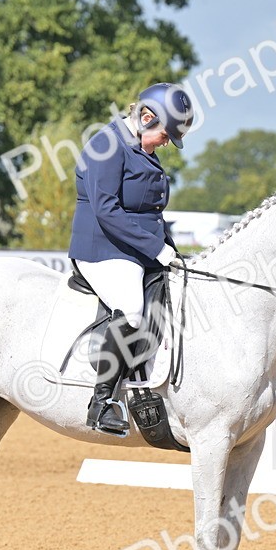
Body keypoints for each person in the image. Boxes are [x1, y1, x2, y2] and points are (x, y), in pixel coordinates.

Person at [69, 82, 194, 435]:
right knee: (132, 309)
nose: (167, 143)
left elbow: (150, 210)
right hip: (102, 248)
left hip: (136, 247)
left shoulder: (141, 146)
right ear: (146, 117)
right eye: (166, 135)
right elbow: (106, 210)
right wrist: (155, 249)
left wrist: (170, 247)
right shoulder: (106, 145)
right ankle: (102, 402)